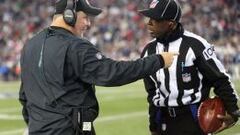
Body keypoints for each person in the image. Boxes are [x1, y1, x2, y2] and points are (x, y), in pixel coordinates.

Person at [19, 0, 178, 135]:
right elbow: (112, 73)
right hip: (69, 130)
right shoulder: (76, 46)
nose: (88, 23)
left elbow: (24, 97)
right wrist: (158, 60)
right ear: (69, 15)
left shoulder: (30, 45)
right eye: (85, 17)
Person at [139, 0, 240, 135]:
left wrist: (233, 111)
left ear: (171, 24)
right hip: (163, 119)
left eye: (155, 19)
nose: (149, 23)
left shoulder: (196, 45)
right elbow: (152, 93)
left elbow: (220, 79)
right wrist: (153, 125)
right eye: (149, 18)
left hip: (193, 118)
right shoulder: (148, 50)